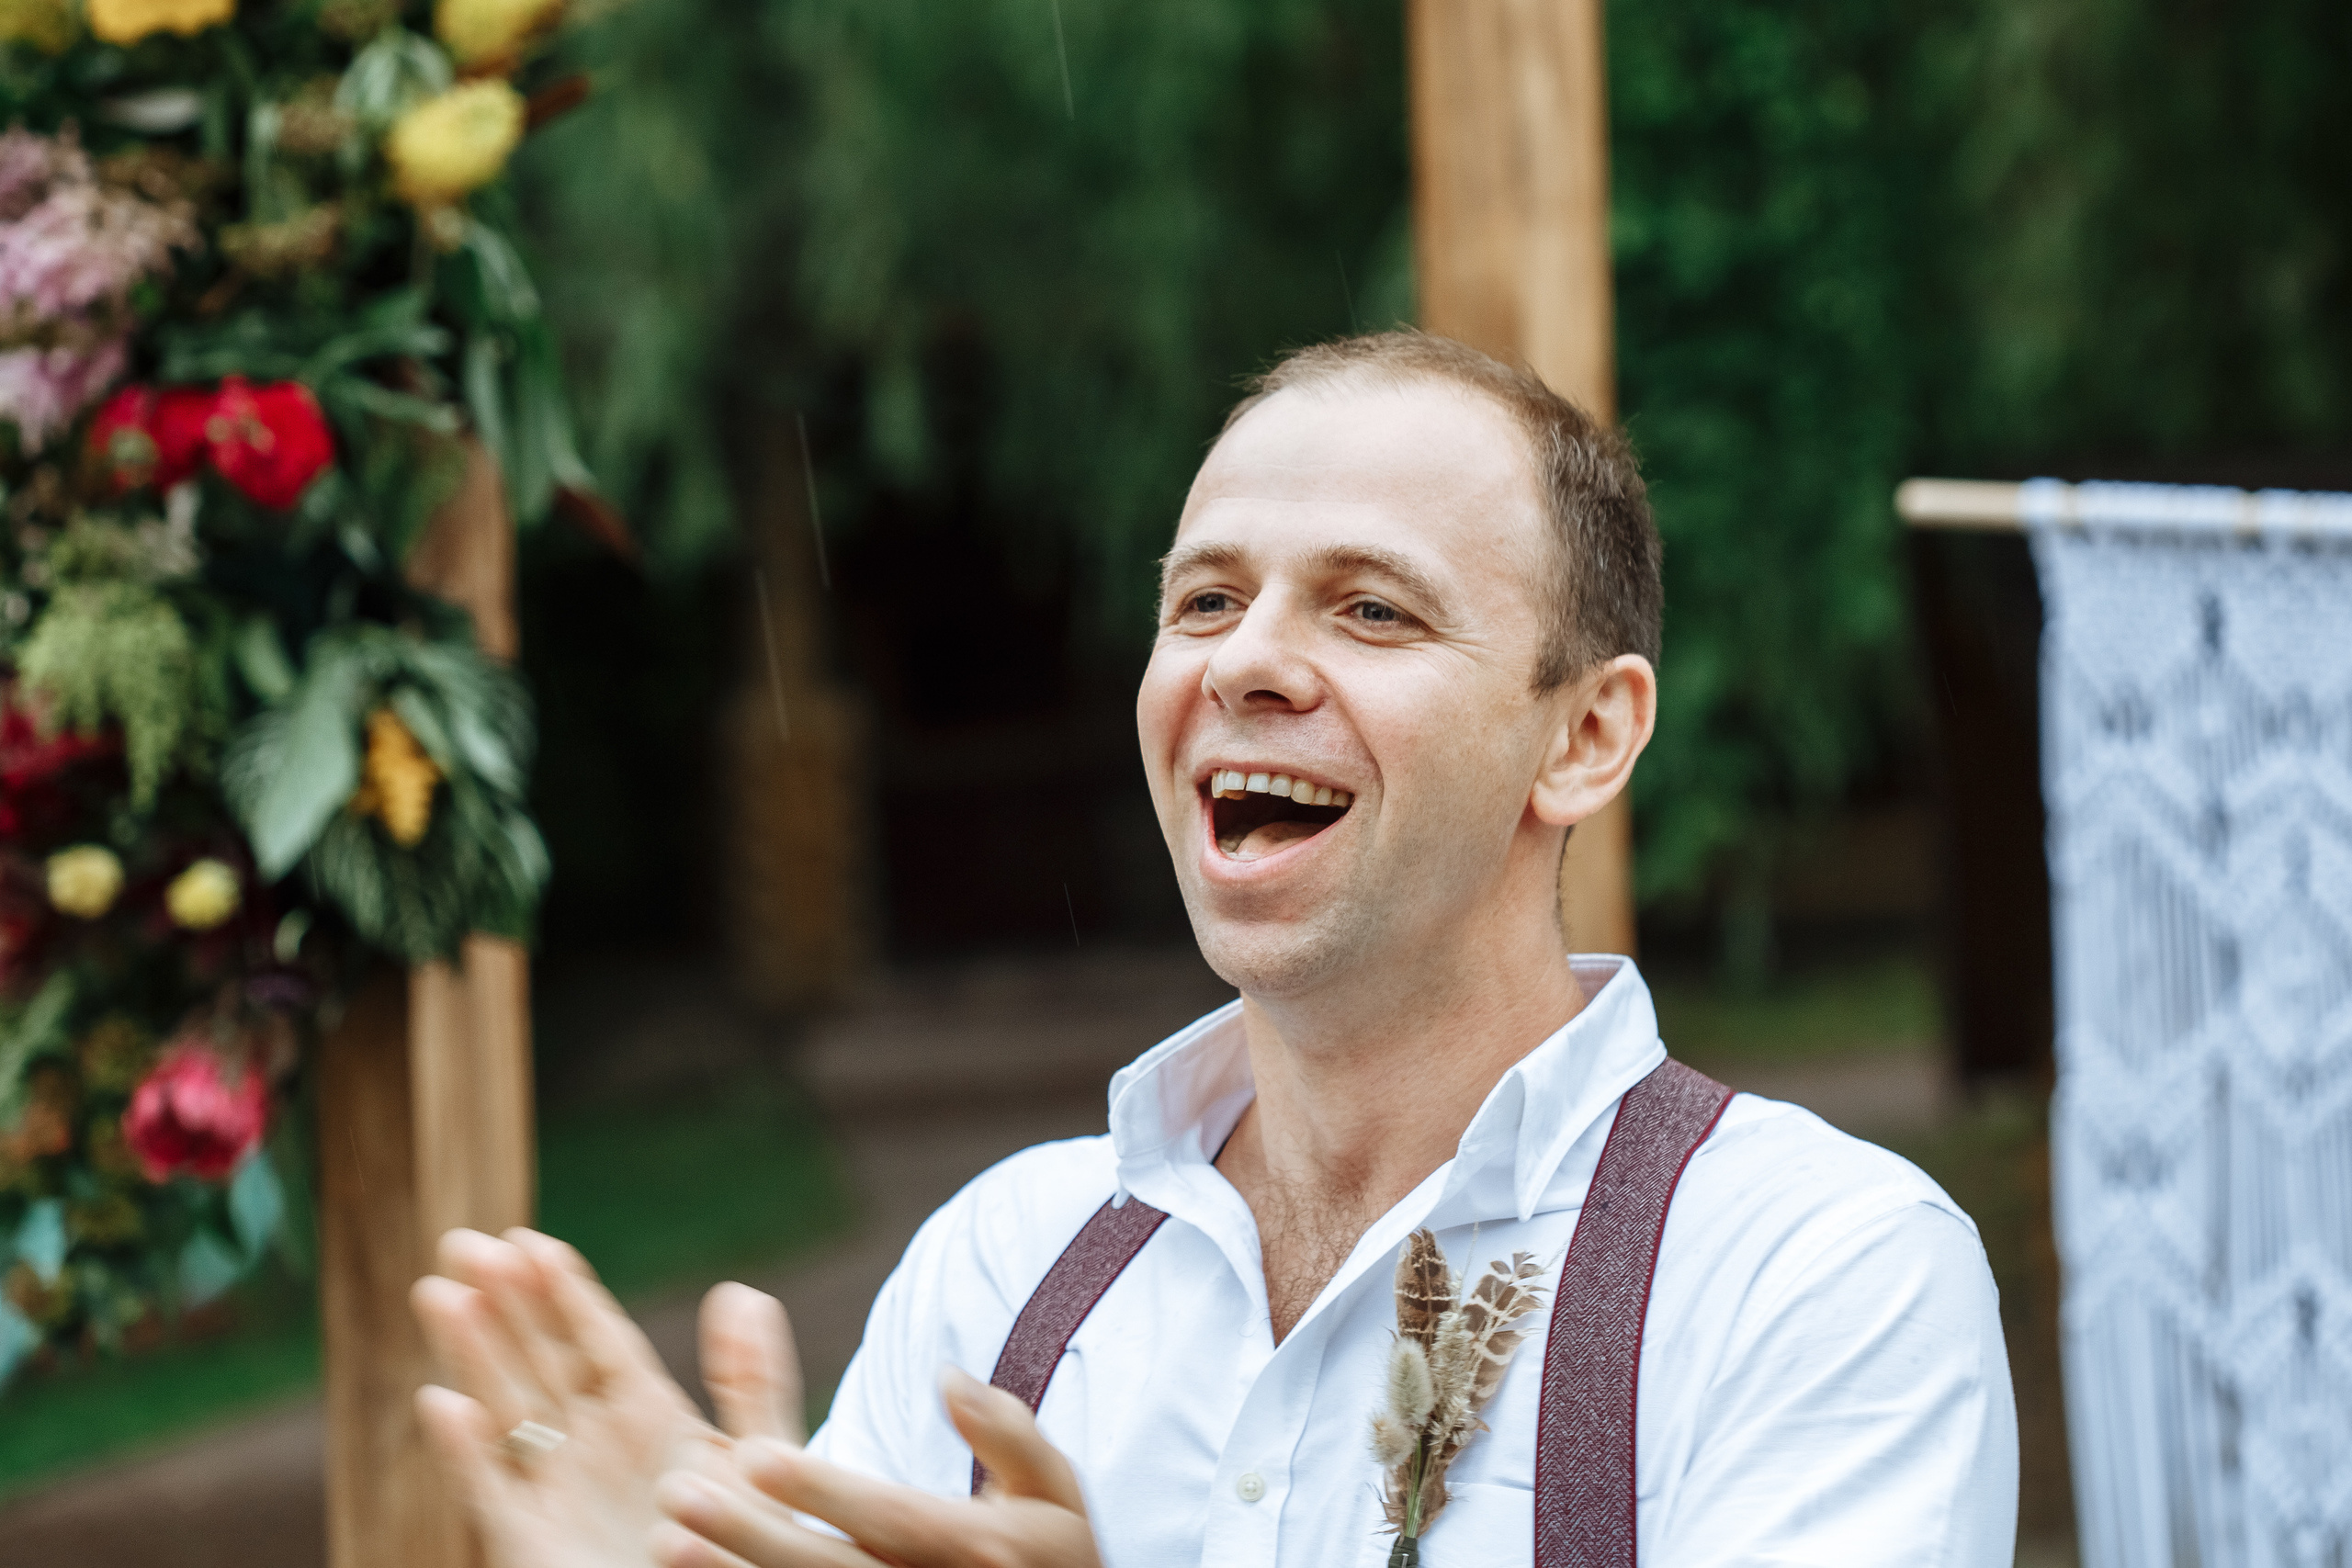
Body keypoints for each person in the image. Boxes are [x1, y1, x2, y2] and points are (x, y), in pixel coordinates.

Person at [412, 332, 2018, 1568]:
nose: (1246, 660)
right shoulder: (1002, 1267)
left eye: (1371, 611)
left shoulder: (1818, 1272)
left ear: (1586, 737)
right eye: (1204, 603)